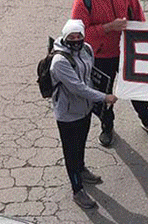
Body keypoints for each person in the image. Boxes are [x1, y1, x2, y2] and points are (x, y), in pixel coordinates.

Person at [70, 0, 148, 147]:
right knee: (103, 97)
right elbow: (79, 35)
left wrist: (143, 38)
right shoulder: (83, 1)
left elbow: (137, 13)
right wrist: (107, 28)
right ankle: (107, 126)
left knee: (137, 90)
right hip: (101, 57)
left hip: (128, 52)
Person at [50, 19, 117, 210]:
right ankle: (77, 190)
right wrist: (104, 97)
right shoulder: (60, 62)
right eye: (71, 37)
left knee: (80, 144)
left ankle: (81, 169)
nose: (76, 40)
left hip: (84, 110)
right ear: (65, 37)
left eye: (79, 35)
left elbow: (89, 75)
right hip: (68, 115)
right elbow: (78, 88)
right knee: (71, 152)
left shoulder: (86, 49)